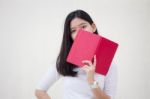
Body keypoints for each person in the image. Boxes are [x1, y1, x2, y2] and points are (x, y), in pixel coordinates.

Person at [35, 9, 118, 99]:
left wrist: (91, 81)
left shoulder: (109, 64)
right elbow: (39, 91)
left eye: (83, 26)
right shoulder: (64, 60)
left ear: (93, 27)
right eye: (73, 30)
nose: (79, 32)